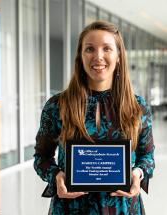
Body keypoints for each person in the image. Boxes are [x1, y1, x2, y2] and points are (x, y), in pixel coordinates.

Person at [34, 20, 155, 214]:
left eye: (107, 48)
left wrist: (137, 173)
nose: (98, 57)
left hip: (123, 208)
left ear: (119, 57)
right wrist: (56, 176)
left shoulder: (138, 107)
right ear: (80, 57)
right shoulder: (57, 106)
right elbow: (42, 157)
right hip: (71, 209)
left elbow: (147, 156)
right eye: (89, 49)